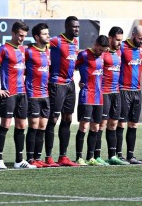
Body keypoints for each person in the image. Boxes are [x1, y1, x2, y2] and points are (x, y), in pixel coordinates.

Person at [0, 21, 36, 169]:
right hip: (9, 93)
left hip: (22, 94)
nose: (22, 38)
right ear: (14, 33)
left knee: (22, 125)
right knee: (6, 125)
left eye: (24, 36)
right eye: (20, 35)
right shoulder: (3, 49)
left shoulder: (23, 50)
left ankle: (19, 160)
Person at [89, 26, 129, 165]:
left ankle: (113, 156)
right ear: (110, 38)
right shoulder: (102, 54)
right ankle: (97, 155)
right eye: (117, 40)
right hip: (104, 93)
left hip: (116, 93)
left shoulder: (120, 51)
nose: (119, 43)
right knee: (102, 125)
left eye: (121, 40)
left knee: (113, 124)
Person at [44, 16, 80, 167]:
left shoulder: (76, 42)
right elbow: (41, 45)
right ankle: (48, 157)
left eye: (78, 27)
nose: (77, 29)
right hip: (57, 84)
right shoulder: (56, 41)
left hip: (70, 84)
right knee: (53, 119)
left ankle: (63, 156)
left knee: (68, 119)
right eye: (73, 27)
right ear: (66, 27)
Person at [74, 35, 109, 166]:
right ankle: (79, 157)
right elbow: (72, 68)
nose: (101, 53)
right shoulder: (83, 55)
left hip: (99, 98)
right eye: (100, 50)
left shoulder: (103, 56)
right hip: (86, 96)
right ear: (95, 44)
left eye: (104, 51)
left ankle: (90, 157)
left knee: (95, 127)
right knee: (84, 126)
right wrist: (78, 82)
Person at [116, 25, 142, 164]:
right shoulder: (122, 47)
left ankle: (131, 155)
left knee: (133, 124)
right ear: (133, 34)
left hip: (137, 90)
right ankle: (118, 154)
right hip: (123, 89)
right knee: (122, 123)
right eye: (140, 38)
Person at [24, 23, 52, 168]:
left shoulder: (48, 50)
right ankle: (30, 158)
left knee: (42, 126)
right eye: (44, 34)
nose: (48, 36)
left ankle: (38, 157)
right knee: (33, 125)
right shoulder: (28, 51)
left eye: (48, 33)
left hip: (45, 94)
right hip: (32, 94)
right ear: (36, 37)